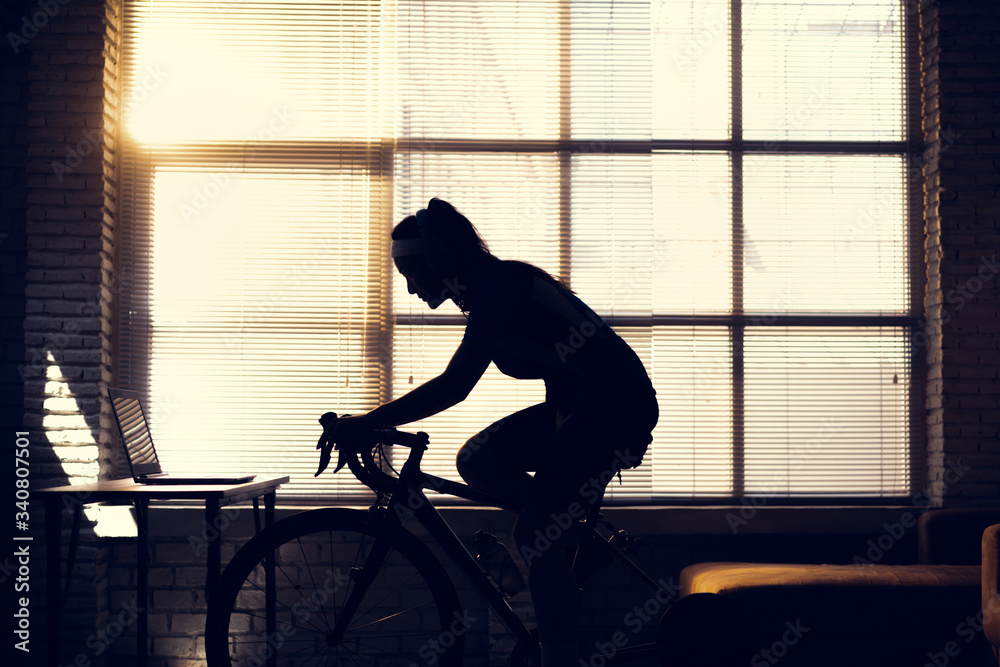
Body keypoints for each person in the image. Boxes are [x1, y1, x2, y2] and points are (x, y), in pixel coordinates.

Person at [334, 197, 658, 667]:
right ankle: (572, 538)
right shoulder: (487, 291)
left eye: (410, 272)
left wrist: (369, 421)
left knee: (535, 534)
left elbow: (455, 385)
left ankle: (558, 657)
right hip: (578, 406)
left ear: (440, 258)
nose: (407, 288)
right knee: (477, 460)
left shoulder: (502, 286)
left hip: (614, 408)